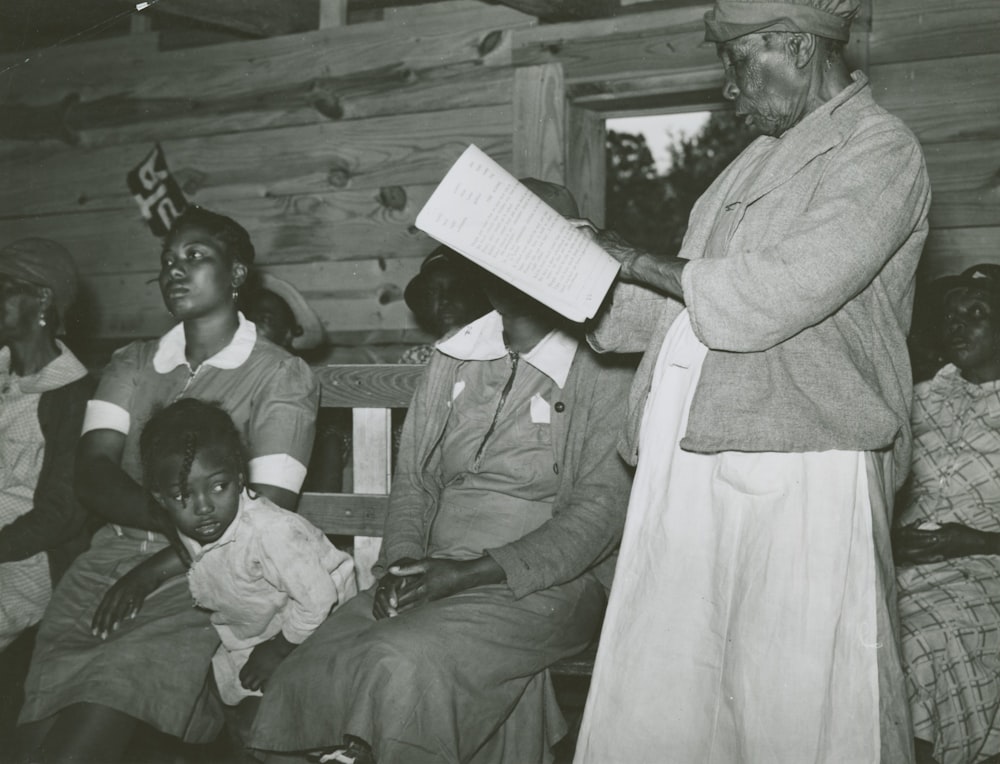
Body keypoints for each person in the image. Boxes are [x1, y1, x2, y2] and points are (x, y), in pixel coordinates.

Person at [572, 1, 932, 762]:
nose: (728, 89)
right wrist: (576, 282)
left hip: (804, 454)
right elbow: (682, 307)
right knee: (673, 684)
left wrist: (632, 258)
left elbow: (778, 291)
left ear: (798, 47)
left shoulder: (879, 148)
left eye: (737, 62)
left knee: (797, 697)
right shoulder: (749, 165)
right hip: (695, 450)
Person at [247, 182, 633, 764]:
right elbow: (416, 483)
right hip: (435, 570)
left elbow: (599, 514)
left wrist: (468, 574)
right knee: (311, 669)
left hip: (548, 583)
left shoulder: (602, 362)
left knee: (400, 663)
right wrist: (400, 564)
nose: (508, 265)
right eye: (494, 248)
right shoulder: (454, 355)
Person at [17, 206, 319, 764]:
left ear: (235, 276)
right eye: (167, 261)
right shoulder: (132, 363)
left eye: (195, 256)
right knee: (32, 735)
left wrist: (155, 565)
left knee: (84, 731)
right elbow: (92, 474)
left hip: (213, 579)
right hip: (106, 562)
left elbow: (266, 511)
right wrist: (164, 525)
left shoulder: (279, 375)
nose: (174, 270)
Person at [91, 398, 355, 707]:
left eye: (219, 487)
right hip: (263, 627)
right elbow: (200, 553)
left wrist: (279, 648)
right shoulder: (203, 524)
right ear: (161, 499)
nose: (203, 507)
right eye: (182, 495)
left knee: (279, 710)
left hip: (324, 624)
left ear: (240, 477)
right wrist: (145, 576)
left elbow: (320, 600)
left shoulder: (272, 531)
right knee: (222, 694)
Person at [893, 265, 1000, 764]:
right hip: (896, 566)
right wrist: (887, 538)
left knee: (910, 646)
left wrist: (975, 542)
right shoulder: (913, 401)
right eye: (951, 314)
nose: (957, 324)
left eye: (976, 312)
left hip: (985, 572)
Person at [0, 238, 93, 651]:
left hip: (25, 560)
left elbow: (61, 515)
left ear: (42, 299)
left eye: (3, 286)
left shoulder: (72, 394)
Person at [398, 243, 492, 365]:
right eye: (433, 292)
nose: (444, 300)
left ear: (474, 295)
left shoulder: (494, 355)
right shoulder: (417, 357)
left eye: (455, 290)